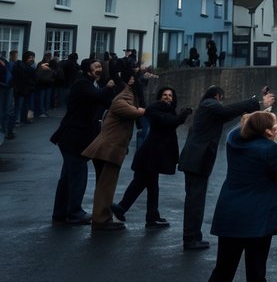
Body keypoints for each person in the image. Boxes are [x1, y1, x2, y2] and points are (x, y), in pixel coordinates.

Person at [206, 103, 277, 282]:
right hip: (257, 220)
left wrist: (260, 115)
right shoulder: (268, 151)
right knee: (256, 272)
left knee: (223, 270)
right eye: (275, 127)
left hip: (230, 215)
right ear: (268, 132)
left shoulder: (234, 141)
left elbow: (241, 128)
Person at [178, 83, 276, 250]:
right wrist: (258, 103)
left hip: (195, 161)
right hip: (197, 161)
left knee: (195, 200)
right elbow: (227, 111)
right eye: (220, 100)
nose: (221, 103)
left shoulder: (207, 111)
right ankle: (190, 238)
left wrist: (257, 104)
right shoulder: (209, 104)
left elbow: (231, 114)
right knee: (195, 201)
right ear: (216, 96)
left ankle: (194, 235)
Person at [112, 85, 192, 228]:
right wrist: (183, 115)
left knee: (149, 185)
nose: (167, 98)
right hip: (150, 155)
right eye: (165, 95)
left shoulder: (169, 111)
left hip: (153, 156)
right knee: (142, 183)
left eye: (170, 96)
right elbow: (169, 122)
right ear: (160, 98)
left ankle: (150, 216)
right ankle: (124, 209)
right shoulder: (156, 110)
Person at [50, 58, 116, 225]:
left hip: (76, 138)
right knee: (78, 175)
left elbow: (107, 102)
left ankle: (60, 213)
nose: (99, 69)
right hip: (72, 138)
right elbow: (98, 96)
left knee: (67, 178)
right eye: (96, 67)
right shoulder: (82, 84)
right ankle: (75, 213)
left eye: (100, 66)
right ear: (88, 70)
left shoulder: (93, 85)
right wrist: (108, 88)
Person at [80, 70, 146, 231]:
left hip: (107, 149)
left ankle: (102, 217)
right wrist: (142, 111)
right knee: (106, 185)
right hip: (108, 149)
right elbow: (122, 108)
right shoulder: (125, 96)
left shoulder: (129, 95)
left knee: (104, 185)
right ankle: (101, 220)